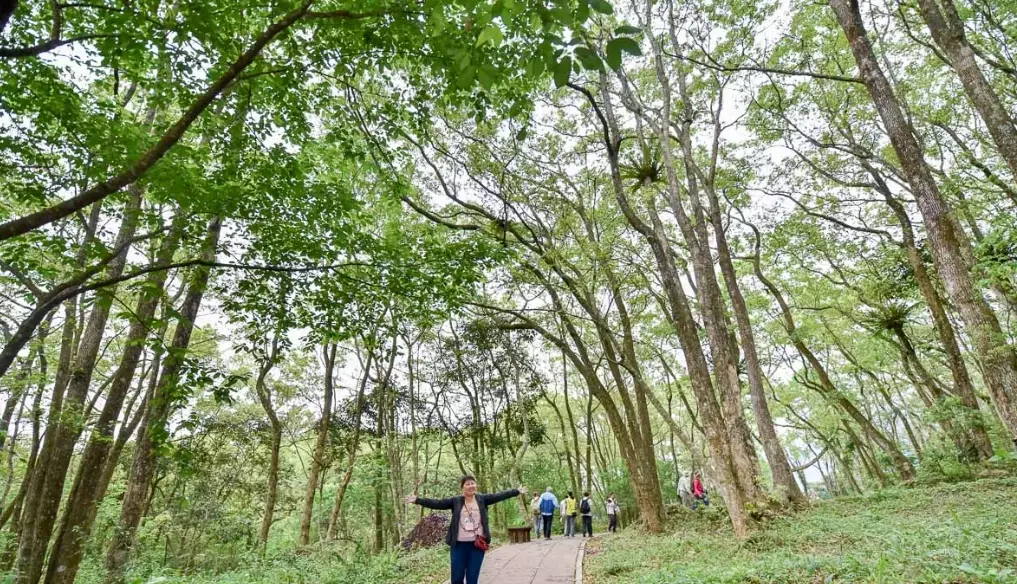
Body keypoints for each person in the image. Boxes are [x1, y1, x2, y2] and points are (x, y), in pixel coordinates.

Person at [404, 476, 526, 584]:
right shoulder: (456, 501)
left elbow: (499, 495)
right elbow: (437, 503)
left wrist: (516, 492)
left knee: (472, 578)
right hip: (458, 545)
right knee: (457, 577)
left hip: (477, 545)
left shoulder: (482, 499)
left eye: (473, 483)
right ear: (462, 487)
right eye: (467, 484)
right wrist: (417, 500)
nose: (471, 486)